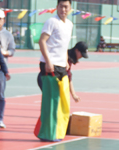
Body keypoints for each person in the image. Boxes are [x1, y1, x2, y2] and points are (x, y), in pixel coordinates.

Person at [37, 0, 74, 141]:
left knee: (62, 100)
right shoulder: (51, 22)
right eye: (61, 6)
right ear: (57, 7)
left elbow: (64, 45)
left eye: (66, 7)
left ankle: (58, 131)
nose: (63, 9)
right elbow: (42, 41)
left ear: (70, 8)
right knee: (51, 100)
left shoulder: (69, 24)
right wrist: (48, 61)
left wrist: (66, 60)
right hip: (49, 65)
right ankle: (47, 134)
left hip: (61, 66)